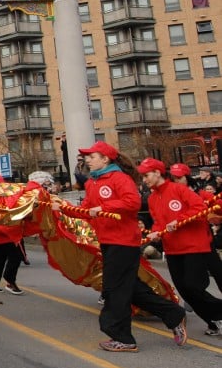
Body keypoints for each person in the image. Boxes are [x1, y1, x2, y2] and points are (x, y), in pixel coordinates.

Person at [51, 141, 187, 353]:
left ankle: (123, 337)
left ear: (105, 159)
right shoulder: (92, 183)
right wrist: (64, 208)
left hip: (123, 241)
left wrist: (103, 207)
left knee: (114, 289)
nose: (87, 160)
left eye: (92, 156)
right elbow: (87, 211)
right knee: (131, 288)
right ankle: (173, 314)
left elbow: (133, 202)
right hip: (107, 241)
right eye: (87, 156)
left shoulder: (119, 178)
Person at [138, 157, 222, 336]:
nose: (144, 180)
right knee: (185, 291)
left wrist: (180, 220)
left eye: (146, 175)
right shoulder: (152, 198)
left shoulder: (179, 190)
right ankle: (213, 319)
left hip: (193, 246)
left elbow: (200, 210)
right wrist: (155, 232)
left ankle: (218, 314)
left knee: (193, 286)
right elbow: (159, 222)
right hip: (173, 249)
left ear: (157, 173)